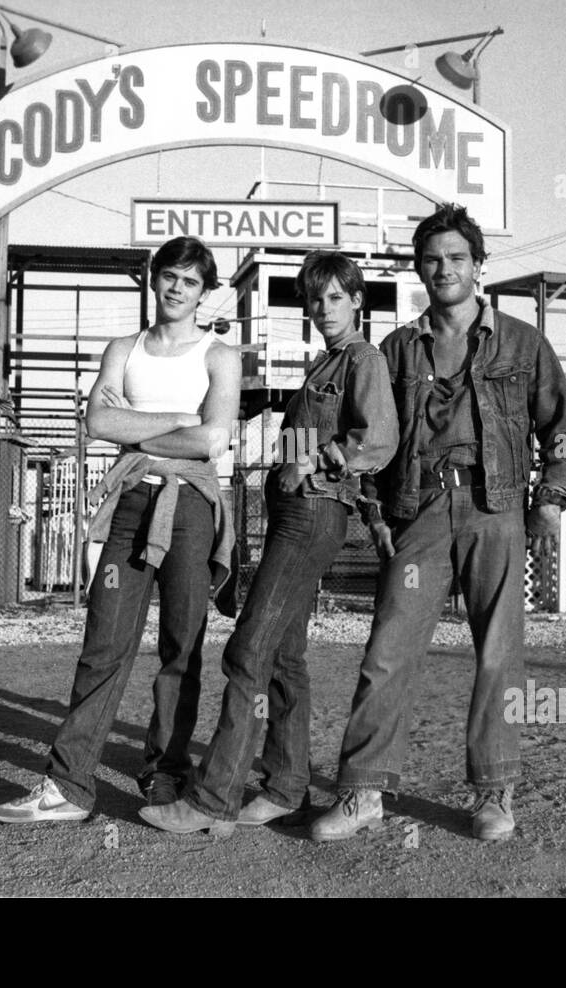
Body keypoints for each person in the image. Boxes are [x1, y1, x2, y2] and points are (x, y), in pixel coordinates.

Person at [310, 204, 566, 843]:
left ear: (478, 266)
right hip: (420, 515)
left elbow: (561, 427)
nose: (444, 269)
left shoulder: (523, 343)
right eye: (432, 260)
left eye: (457, 258)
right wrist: (373, 515)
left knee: (498, 656)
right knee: (387, 652)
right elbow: (370, 436)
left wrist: (553, 495)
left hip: (497, 510)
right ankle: (362, 792)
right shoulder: (397, 349)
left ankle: (494, 794)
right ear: (419, 270)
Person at [138, 251, 398, 837]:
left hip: (314, 516)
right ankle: (285, 786)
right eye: (314, 299)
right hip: (295, 517)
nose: (323, 309)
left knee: (246, 651)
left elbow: (377, 439)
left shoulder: (363, 360)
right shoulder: (324, 366)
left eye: (335, 297)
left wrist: (316, 458)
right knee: (284, 658)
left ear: (358, 301)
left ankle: (211, 800)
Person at [0, 236, 241, 824]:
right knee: (105, 642)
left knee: (181, 646)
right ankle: (68, 785)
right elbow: (98, 420)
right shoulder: (123, 348)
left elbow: (212, 439)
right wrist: (179, 419)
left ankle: (165, 775)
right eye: (169, 277)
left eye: (190, 281)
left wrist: (140, 429)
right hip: (131, 499)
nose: (177, 289)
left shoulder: (219, 355)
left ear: (204, 292)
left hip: (191, 506)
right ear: (154, 281)